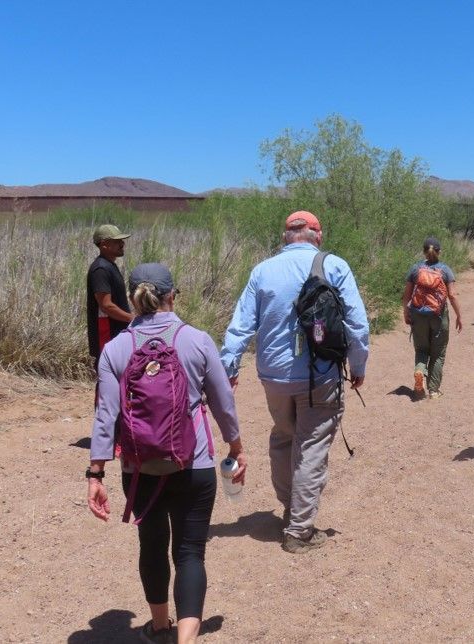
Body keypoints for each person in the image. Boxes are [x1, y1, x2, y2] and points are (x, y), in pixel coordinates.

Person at [87, 263, 246, 644]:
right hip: (195, 465)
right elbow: (223, 402)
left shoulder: (117, 348)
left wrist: (95, 473)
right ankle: (186, 639)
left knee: (152, 544)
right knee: (190, 552)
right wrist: (236, 446)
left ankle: (160, 629)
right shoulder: (197, 340)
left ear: (134, 298)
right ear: (172, 295)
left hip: (139, 469)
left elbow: (105, 415)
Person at [221, 211, 369, 554]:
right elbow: (358, 324)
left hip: (273, 376)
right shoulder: (334, 265)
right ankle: (299, 530)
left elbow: (241, 323)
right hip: (319, 375)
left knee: (284, 437)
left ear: (287, 237)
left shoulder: (262, 270)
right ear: (317, 235)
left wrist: (228, 365)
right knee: (311, 447)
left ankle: (290, 508)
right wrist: (358, 364)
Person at [403, 236, 463, 400]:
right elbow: (452, 295)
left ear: (423, 251)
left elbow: (406, 295)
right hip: (439, 316)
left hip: (418, 315)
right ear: (439, 252)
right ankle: (434, 390)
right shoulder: (445, 270)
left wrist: (406, 312)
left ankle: (420, 371)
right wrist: (459, 315)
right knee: (438, 354)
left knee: (421, 350)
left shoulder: (416, 269)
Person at [87, 224, 134, 365]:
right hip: (105, 332)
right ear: (103, 245)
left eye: (122, 240)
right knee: (108, 373)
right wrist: (133, 319)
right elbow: (106, 305)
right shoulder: (101, 269)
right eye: (116, 241)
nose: (122, 244)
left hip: (116, 333)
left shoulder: (109, 265)